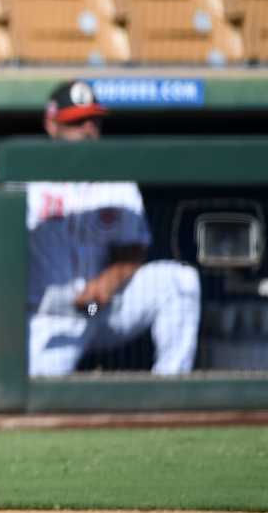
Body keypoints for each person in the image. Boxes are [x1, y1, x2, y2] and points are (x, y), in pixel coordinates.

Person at [24, 80, 201, 376]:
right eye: (76, 122)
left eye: (93, 120)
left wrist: (108, 280)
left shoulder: (115, 179)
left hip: (101, 310)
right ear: (52, 125)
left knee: (181, 281)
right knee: (35, 400)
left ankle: (170, 390)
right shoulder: (27, 178)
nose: (88, 129)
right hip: (52, 316)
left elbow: (134, 247)